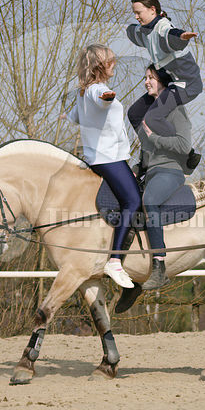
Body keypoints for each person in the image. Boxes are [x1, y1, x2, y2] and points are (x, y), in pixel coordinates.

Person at [65, 44, 141, 289]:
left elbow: (75, 117)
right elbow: (101, 100)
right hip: (107, 159)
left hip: (108, 157)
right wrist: (106, 98)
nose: (114, 64)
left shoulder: (82, 92)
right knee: (133, 201)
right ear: (100, 66)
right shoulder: (97, 90)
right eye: (110, 61)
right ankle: (115, 260)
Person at [127, 0, 202, 171]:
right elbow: (134, 33)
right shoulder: (147, 30)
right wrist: (130, 29)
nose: (136, 17)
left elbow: (172, 36)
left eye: (139, 13)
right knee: (135, 113)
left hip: (186, 84)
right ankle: (148, 153)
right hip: (171, 82)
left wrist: (182, 36)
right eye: (134, 13)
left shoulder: (162, 26)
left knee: (153, 117)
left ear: (153, 10)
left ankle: (187, 153)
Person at [138, 64, 193, 290]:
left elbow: (184, 145)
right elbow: (147, 150)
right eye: (145, 78)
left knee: (149, 200)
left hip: (170, 171)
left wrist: (155, 138)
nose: (146, 82)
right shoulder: (151, 112)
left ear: (162, 81)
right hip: (151, 172)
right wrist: (136, 168)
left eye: (150, 77)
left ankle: (159, 266)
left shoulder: (176, 110)